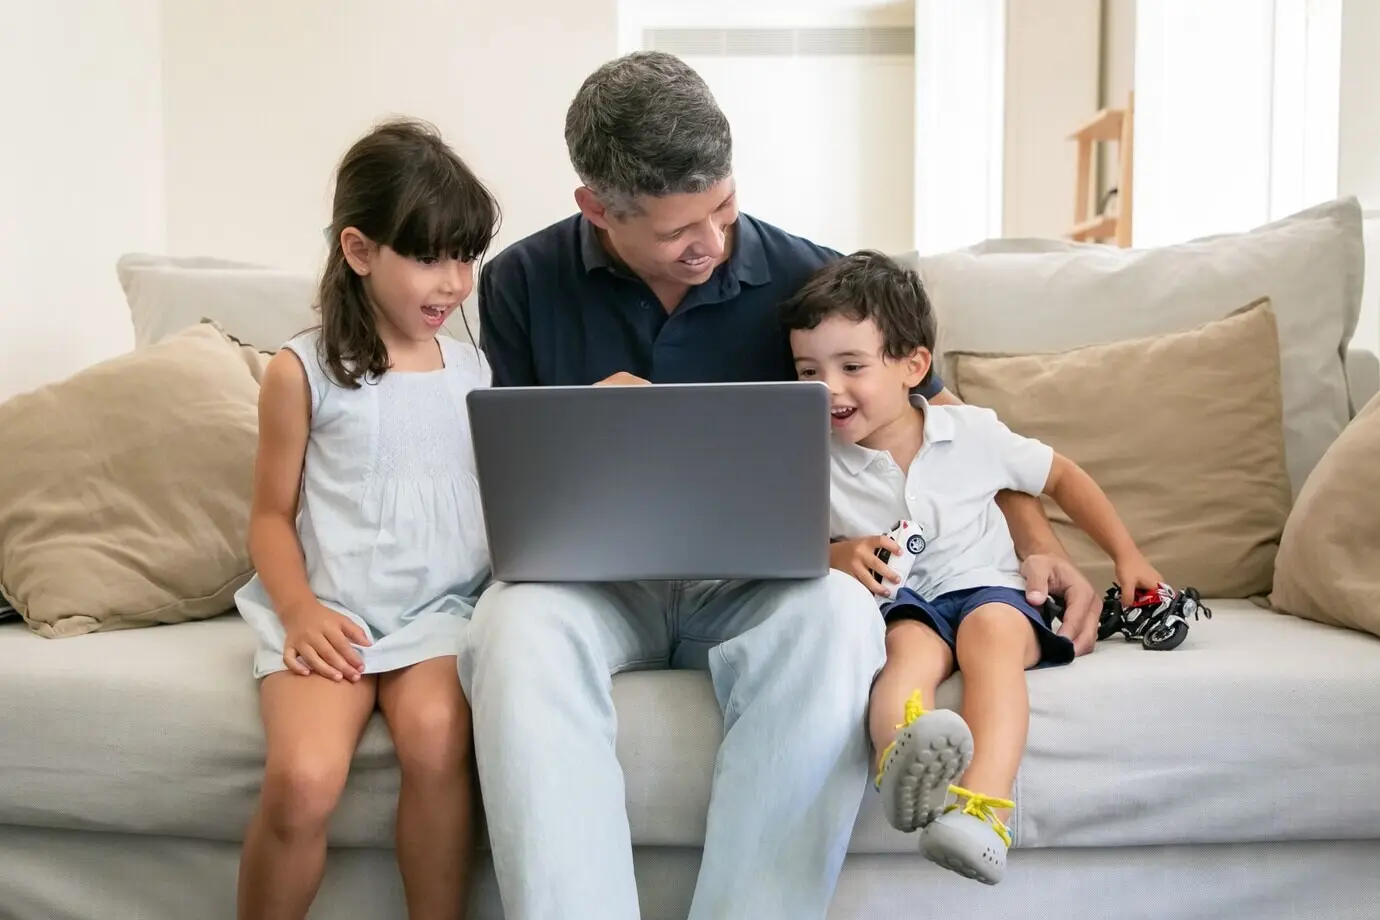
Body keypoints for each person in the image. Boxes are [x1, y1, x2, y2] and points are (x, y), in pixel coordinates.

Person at [461, 50, 1101, 919]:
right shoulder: (520, 282)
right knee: (510, 624)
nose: (713, 242)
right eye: (680, 229)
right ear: (597, 211)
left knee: (841, 617)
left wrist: (1035, 539)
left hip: (762, 585)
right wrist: (584, 417)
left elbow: (944, 418)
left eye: (724, 206)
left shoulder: (811, 276)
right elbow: (511, 468)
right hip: (595, 587)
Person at [782, 250, 1163, 886]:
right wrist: (835, 556)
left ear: (914, 366)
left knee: (988, 638)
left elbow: (1062, 476)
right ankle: (902, 765)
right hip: (907, 604)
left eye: (852, 366)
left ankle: (983, 812)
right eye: (808, 371)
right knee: (905, 650)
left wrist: (1127, 553)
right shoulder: (812, 457)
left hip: (992, 592)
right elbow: (781, 542)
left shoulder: (972, 430)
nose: (830, 389)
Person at [233, 118, 500, 920]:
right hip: (336, 610)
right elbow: (270, 519)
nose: (453, 282)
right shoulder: (300, 370)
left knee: (434, 739)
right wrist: (300, 611)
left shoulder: (472, 367)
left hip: (443, 612)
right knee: (303, 778)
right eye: (428, 257)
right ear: (358, 251)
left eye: (466, 256)